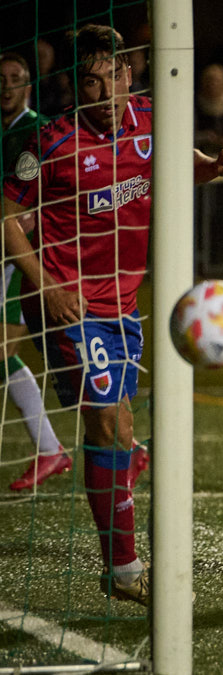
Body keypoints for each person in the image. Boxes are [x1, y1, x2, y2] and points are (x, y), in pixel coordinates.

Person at [1, 24, 223, 605]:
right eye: (91, 82)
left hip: (124, 305)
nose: (104, 94)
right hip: (72, 305)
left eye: (113, 78)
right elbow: (8, 218)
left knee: (122, 429)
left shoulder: (150, 120)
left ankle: (121, 562)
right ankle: (124, 569)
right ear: (76, 85)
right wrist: (48, 287)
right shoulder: (51, 143)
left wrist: (214, 165)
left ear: (129, 76)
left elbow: (178, 165)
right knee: (109, 422)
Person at [1, 51, 69, 491]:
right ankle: (50, 450)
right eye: (0, 78)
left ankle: (53, 449)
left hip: (20, 260)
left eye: (15, 78)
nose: (6, 85)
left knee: (3, 351)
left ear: (28, 85)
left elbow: (39, 203)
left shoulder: (37, 132)